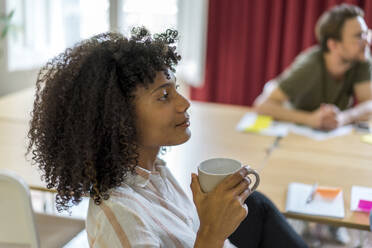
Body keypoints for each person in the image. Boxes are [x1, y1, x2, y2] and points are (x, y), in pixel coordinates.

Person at [27, 27, 307, 247]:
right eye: (164, 96)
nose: (185, 103)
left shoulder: (155, 169)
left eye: (175, 89)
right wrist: (210, 233)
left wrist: (209, 216)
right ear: (119, 118)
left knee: (254, 204)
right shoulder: (121, 217)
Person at [254, 4, 372, 130]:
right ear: (333, 45)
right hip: (296, 133)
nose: (367, 42)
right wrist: (309, 119)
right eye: (359, 36)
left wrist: (344, 117)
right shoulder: (310, 66)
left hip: (331, 135)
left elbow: (369, 103)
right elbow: (262, 105)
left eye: (366, 34)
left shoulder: (361, 59)